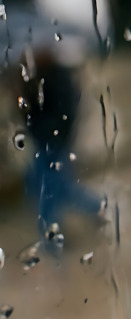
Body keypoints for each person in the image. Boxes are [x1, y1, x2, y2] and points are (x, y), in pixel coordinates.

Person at [12, 40, 103, 240]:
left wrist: (50, 135)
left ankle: (53, 234)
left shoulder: (57, 77)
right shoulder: (37, 75)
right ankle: (95, 207)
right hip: (46, 141)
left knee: (50, 189)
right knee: (55, 186)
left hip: (53, 142)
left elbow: (63, 115)